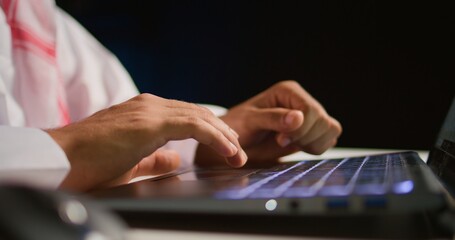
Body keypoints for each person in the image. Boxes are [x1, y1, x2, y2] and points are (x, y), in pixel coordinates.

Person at [0, 0, 342, 192]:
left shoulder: (34, 12)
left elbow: (115, 125)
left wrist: (210, 137)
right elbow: (88, 141)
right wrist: (65, 150)